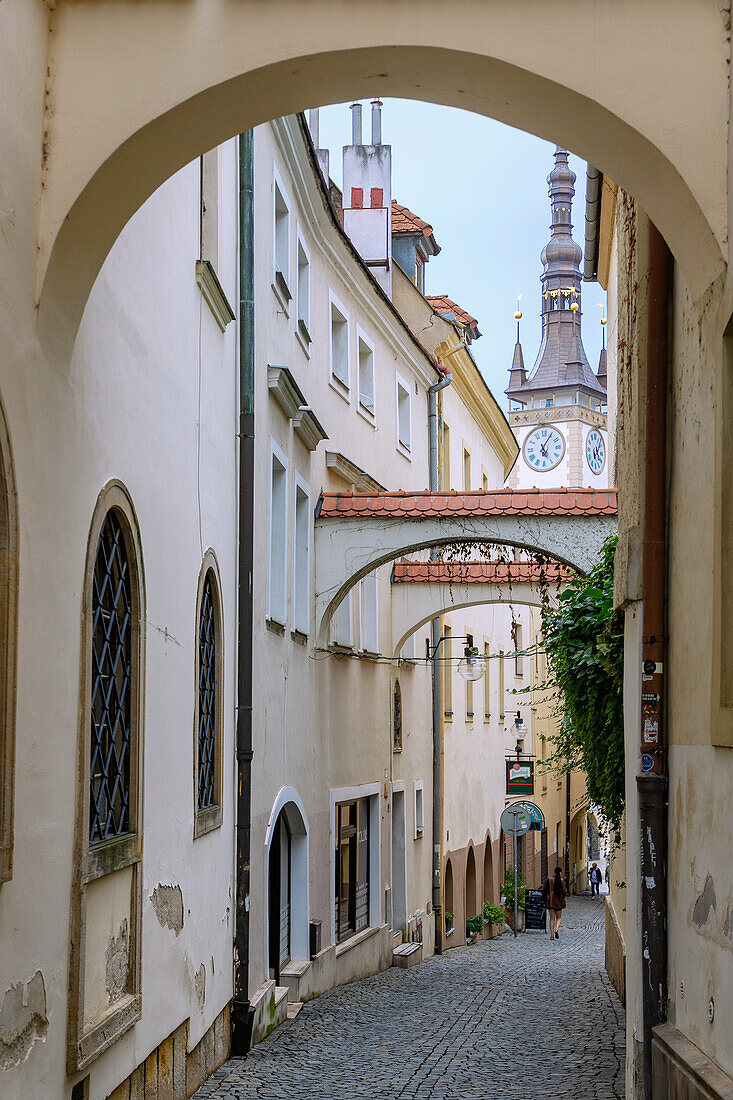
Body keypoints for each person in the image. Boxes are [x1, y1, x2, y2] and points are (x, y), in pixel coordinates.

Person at [542, 866, 567, 940]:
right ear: (560, 873)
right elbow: (564, 891)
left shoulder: (549, 879)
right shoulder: (562, 881)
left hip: (550, 902)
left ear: (554, 872)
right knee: (558, 917)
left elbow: (545, 890)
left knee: (552, 919)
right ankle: (557, 929)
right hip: (559, 902)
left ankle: (552, 935)